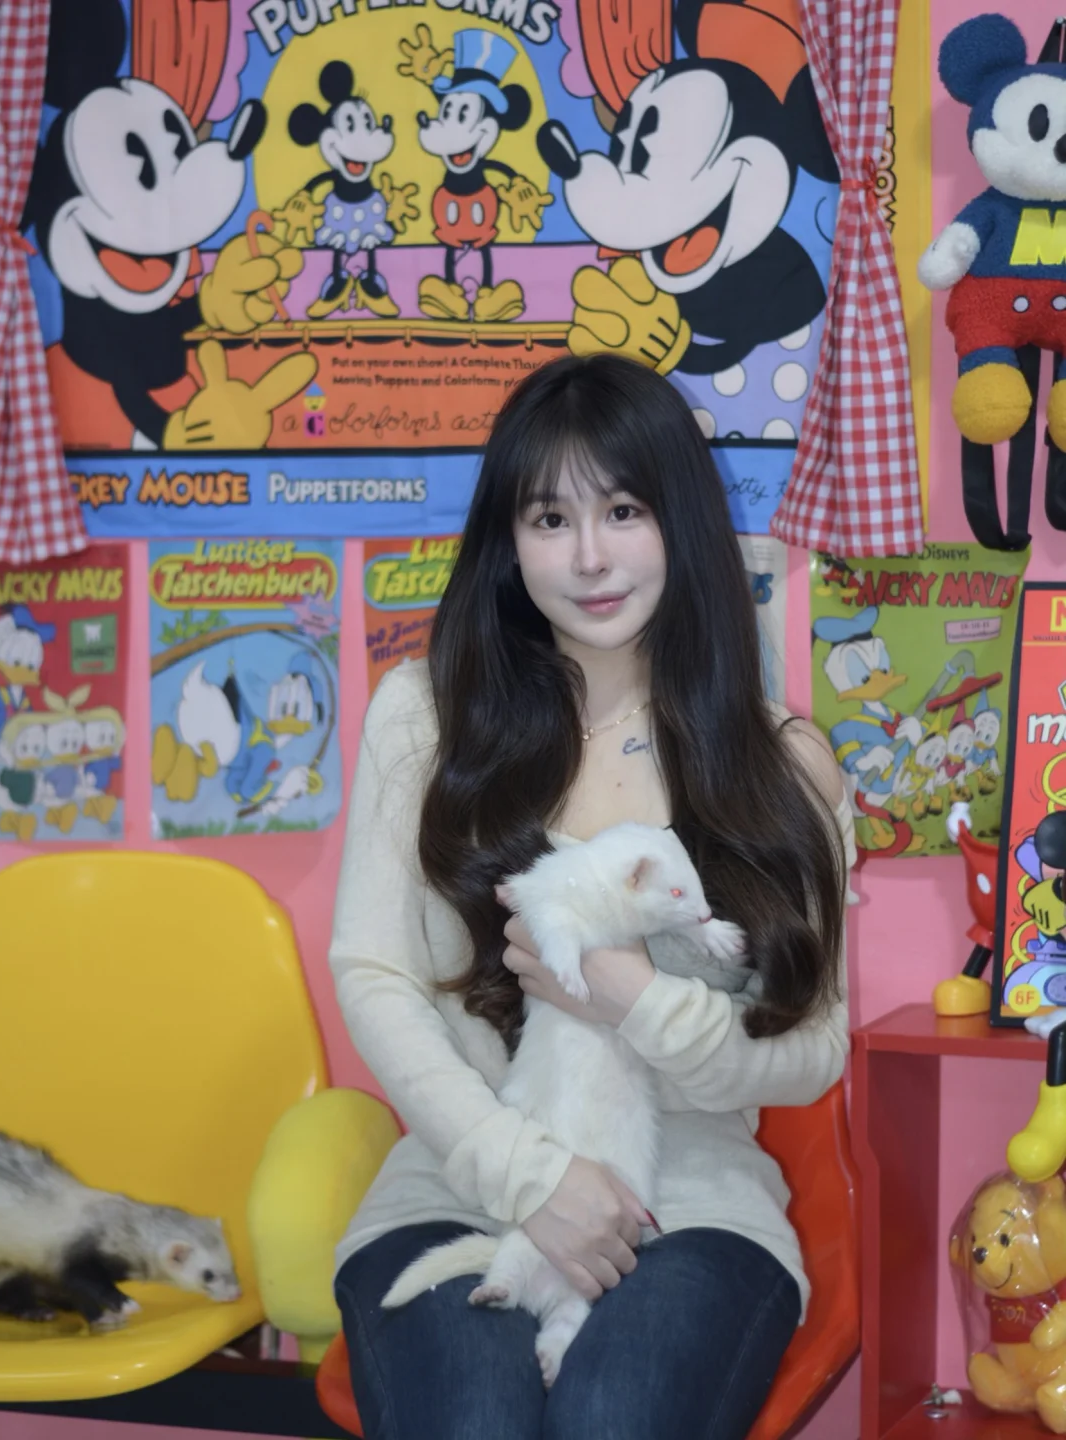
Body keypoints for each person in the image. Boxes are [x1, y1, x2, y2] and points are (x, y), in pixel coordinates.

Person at [329, 353, 855, 1439]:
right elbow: (375, 975)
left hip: (694, 1203)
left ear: (682, 522)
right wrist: (531, 1179)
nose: (589, 558)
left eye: (623, 510)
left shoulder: (782, 763)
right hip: (459, 1183)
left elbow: (812, 1049)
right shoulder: (424, 717)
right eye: (549, 518)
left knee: (612, 1416)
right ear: (508, 541)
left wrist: (633, 997)